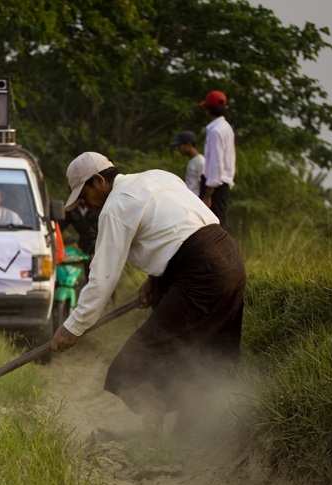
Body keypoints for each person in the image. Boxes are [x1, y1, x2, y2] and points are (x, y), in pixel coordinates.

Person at [51, 152, 246, 438]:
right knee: (201, 355)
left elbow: (102, 278)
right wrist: (155, 281)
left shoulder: (115, 207)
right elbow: (176, 230)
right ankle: (189, 439)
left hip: (200, 272)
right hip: (230, 261)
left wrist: (73, 327)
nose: (85, 204)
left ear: (98, 180)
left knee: (139, 359)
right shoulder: (156, 176)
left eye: (84, 195)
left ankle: (150, 438)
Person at [200, 90, 236, 231]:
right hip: (221, 183)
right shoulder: (226, 128)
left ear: (209, 109)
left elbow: (216, 164)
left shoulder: (216, 131)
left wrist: (209, 193)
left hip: (215, 185)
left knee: (216, 224)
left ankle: (225, 252)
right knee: (217, 222)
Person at [169, 130, 205, 194]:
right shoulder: (192, 161)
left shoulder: (200, 162)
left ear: (188, 144)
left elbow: (203, 185)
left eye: (180, 146)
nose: (179, 149)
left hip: (197, 199)